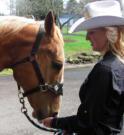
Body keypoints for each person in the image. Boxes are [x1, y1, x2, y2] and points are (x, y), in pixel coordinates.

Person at [40, 1, 124, 135]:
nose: (86, 37)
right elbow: (101, 117)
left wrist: (53, 122)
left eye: (91, 32)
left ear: (109, 33)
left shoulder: (105, 70)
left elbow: (86, 121)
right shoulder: (118, 65)